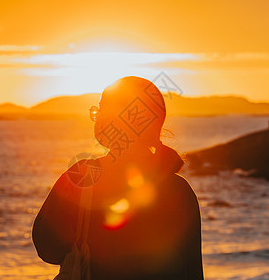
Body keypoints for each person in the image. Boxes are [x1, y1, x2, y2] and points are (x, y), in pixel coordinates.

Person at [32, 76, 204, 279]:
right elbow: (192, 271)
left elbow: (48, 247)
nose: (96, 116)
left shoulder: (82, 176)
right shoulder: (179, 189)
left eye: (101, 108)